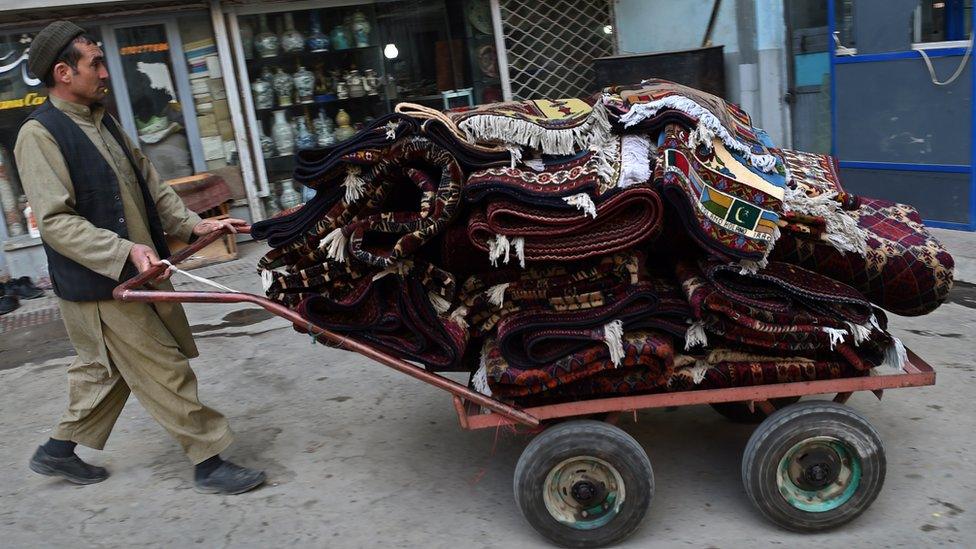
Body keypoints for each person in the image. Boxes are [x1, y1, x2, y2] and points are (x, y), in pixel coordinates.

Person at [15, 21, 265, 495]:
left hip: (136, 272)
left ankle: (57, 451)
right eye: (96, 63)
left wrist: (194, 224)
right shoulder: (40, 134)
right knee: (163, 366)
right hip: (102, 285)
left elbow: (149, 183)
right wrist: (123, 250)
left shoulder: (102, 120)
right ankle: (208, 461)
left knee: (107, 372)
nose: (106, 72)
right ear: (64, 72)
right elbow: (54, 221)